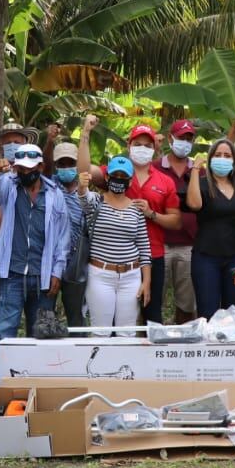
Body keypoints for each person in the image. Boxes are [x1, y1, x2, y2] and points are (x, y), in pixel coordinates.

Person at [0, 143, 70, 382]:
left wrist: (57, 271)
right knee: (5, 333)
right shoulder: (9, 186)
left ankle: (38, 383)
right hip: (12, 273)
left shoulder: (55, 195)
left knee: (41, 335)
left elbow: (63, 238)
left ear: (41, 167)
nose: (24, 173)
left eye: (29, 169)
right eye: (20, 169)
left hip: (42, 276)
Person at [81, 123, 180, 324]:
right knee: (105, 324)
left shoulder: (165, 181)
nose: (142, 148)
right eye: (137, 144)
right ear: (129, 145)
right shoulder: (114, 169)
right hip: (104, 265)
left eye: (147, 145)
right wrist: (85, 133)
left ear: (155, 148)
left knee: (151, 316)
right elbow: (83, 172)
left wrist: (151, 214)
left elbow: (176, 221)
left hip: (150, 257)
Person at [77, 153, 151, 336]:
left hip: (131, 276)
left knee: (127, 333)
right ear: (107, 177)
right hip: (100, 275)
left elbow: (144, 246)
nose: (118, 179)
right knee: (101, 332)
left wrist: (146, 281)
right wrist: (82, 186)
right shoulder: (96, 201)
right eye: (115, 175)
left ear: (130, 181)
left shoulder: (136, 208)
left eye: (123, 176)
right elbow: (83, 197)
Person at [185, 139, 235, 316]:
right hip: (206, 257)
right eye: (218, 155)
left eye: (227, 155)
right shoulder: (201, 184)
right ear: (210, 159)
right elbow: (194, 204)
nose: (222, 158)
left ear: (234, 161)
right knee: (208, 312)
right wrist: (195, 170)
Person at [152, 118, 200, 321]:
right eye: (181, 138)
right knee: (153, 300)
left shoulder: (198, 170)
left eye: (189, 139)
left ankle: (184, 336)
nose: (185, 143)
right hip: (159, 243)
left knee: (187, 302)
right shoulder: (155, 167)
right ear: (170, 139)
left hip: (189, 244)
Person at [51, 140, 88, 326]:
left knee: (76, 317)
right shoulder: (48, 187)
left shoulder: (87, 193)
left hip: (76, 262)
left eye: (70, 163)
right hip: (50, 261)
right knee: (45, 313)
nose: (66, 168)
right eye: (61, 164)